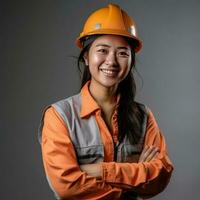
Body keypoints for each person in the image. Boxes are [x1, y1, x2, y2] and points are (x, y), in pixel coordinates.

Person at [38, 3, 173, 200]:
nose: (111, 61)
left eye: (122, 53)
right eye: (102, 50)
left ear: (131, 61)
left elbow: (159, 177)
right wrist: (134, 176)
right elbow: (66, 186)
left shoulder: (143, 117)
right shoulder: (60, 116)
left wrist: (99, 170)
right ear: (86, 56)